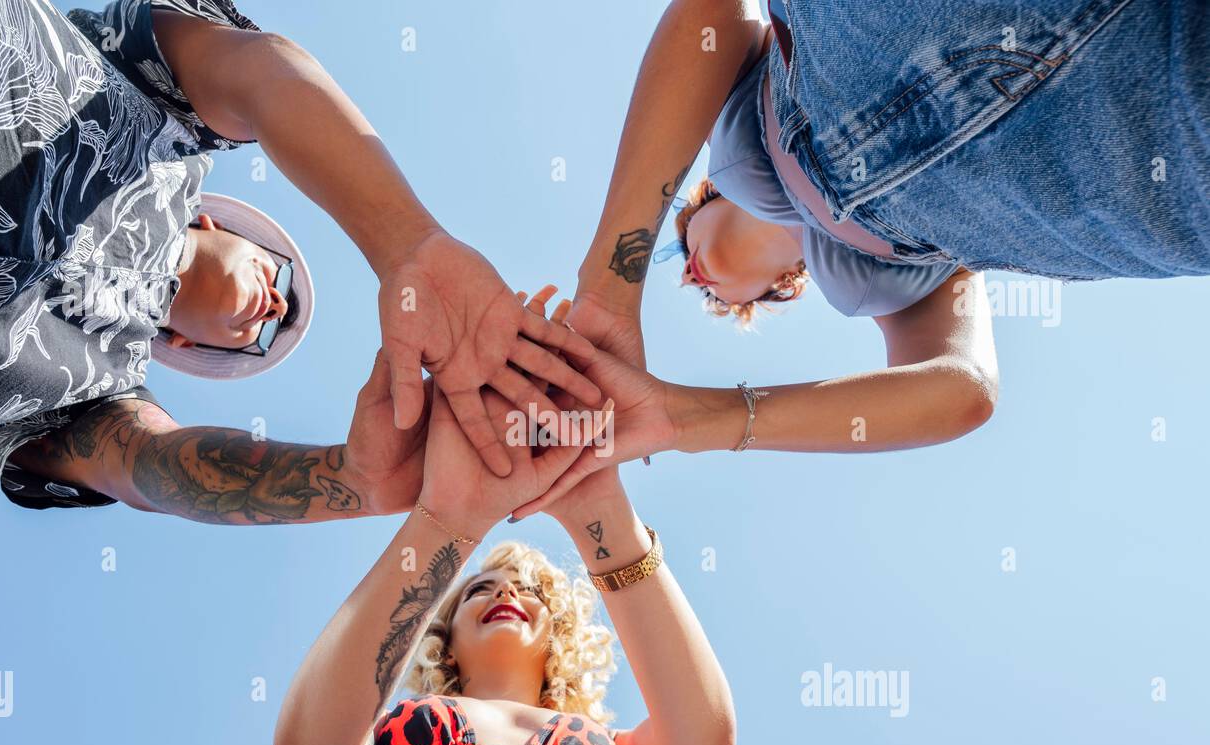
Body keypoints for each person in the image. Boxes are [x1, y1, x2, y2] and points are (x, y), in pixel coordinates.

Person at [512, 0, 1207, 517]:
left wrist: (608, 285)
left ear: (701, 199)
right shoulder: (897, 290)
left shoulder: (730, 123)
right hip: (1113, 171)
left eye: (681, 249)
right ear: (783, 286)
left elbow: (719, 11)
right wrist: (687, 419)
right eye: (717, 299)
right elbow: (963, 387)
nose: (694, 274)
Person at [0, 0, 598, 519]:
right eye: (282, 278)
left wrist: (351, 482)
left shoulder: (93, 393)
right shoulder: (172, 131)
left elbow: (146, 466)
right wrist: (409, 246)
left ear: (185, 344)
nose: (276, 305)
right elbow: (261, 72)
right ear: (216, 222)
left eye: (269, 332)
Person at [274, 292, 736, 745]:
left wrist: (600, 506)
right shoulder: (383, 724)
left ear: (561, 631)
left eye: (530, 591)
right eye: (479, 587)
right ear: (442, 634)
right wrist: (447, 519)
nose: (506, 591)